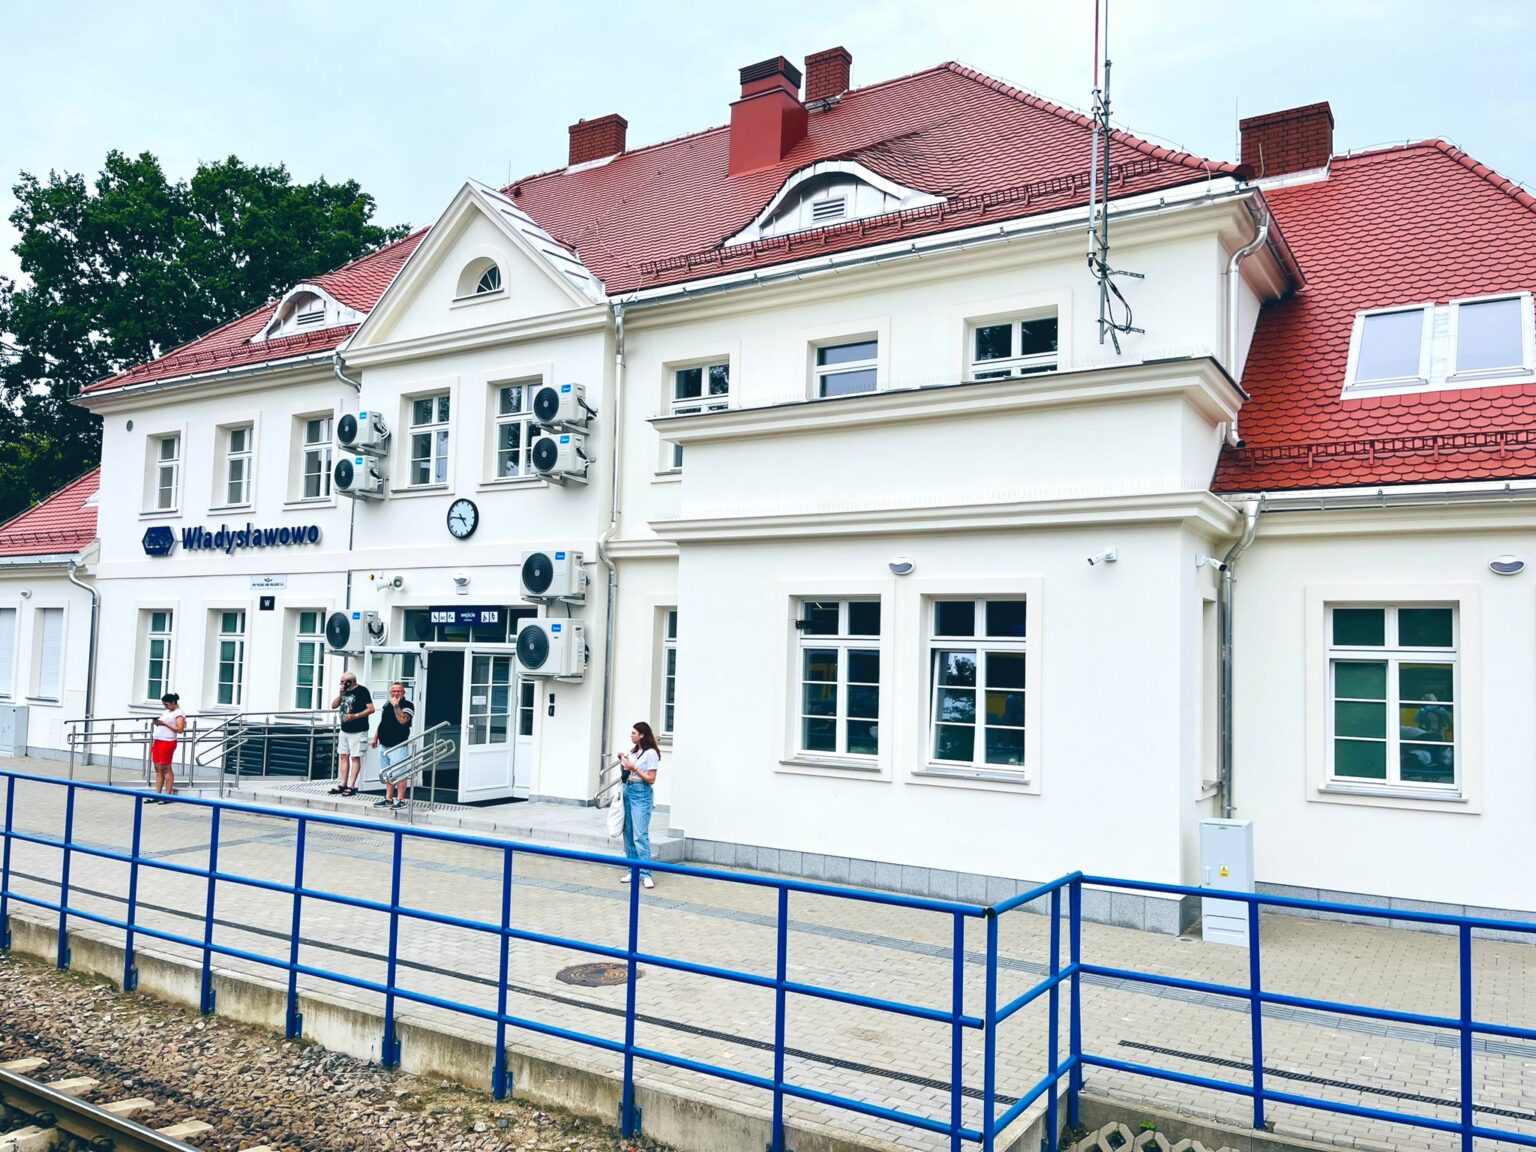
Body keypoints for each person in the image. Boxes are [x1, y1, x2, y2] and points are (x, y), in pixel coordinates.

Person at [617, 721, 661, 889]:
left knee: (640, 834)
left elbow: (651, 779)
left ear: (642, 735)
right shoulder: (634, 751)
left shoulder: (651, 753)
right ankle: (632, 869)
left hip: (641, 793)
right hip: (628, 790)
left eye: (634, 733)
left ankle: (646, 873)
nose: (631, 735)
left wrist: (634, 767)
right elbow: (626, 772)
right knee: (628, 832)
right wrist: (623, 762)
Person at [371, 681, 415, 811]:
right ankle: (389, 798)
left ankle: (401, 800)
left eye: (398, 691)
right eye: (393, 691)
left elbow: (402, 720)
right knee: (387, 774)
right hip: (384, 744)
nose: (396, 694)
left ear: (403, 692)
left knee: (400, 773)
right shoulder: (387, 704)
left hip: (398, 745)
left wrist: (396, 705)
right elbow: (383, 722)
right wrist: (375, 737)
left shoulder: (408, 705)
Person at [329, 671, 374, 797]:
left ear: (350, 681)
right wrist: (340, 694)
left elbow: (371, 709)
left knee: (355, 757)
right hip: (344, 729)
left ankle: (351, 785)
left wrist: (355, 716)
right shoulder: (345, 692)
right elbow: (333, 706)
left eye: (343, 681)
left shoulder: (362, 691)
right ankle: (342, 784)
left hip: (358, 729)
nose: (341, 683)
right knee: (343, 756)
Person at [147, 692, 186, 804]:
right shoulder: (167, 712)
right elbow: (164, 723)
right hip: (158, 740)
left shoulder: (179, 713)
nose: (165, 706)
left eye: (167, 704)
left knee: (166, 768)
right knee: (158, 768)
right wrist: (158, 723)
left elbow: (180, 729)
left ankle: (168, 795)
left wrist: (164, 723)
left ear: (173, 702)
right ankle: (157, 794)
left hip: (167, 742)